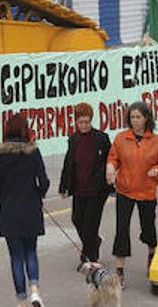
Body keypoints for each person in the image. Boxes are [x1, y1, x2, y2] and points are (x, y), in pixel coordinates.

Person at [0, 114, 50, 307]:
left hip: (9, 213)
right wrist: (38, 195)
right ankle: (35, 292)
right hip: (31, 210)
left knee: (16, 257)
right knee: (31, 251)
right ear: (25, 130)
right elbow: (44, 182)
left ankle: (22, 300)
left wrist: (4, 200)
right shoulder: (33, 153)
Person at [106, 101, 158, 285]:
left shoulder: (157, 141)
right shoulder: (121, 138)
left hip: (147, 191)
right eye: (132, 117)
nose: (134, 120)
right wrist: (110, 167)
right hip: (125, 190)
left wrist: (157, 171)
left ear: (146, 118)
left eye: (138, 117)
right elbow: (113, 158)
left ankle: (152, 254)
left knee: (148, 228)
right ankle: (119, 271)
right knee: (122, 229)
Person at [59, 102, 112, 266]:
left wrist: (110, 177)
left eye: (87, 122)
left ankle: (90, 257)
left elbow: (111, 159)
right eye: (81, 122)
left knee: (90, 224)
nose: (84, 125)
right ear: (76, 122)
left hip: (97, 189)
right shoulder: (73, 139)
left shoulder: (101, 138)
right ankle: (94, 242)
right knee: (77, 219)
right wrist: (64, 186)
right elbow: (68, 162)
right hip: (79, 187)